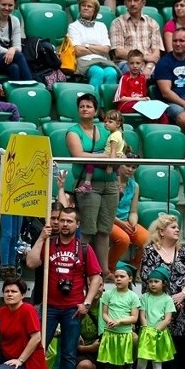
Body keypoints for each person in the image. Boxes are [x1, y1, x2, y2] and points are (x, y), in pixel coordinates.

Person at [25, 207, 103, 369]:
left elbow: (96, 277)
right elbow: (31, 263)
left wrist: (87, 302)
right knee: (38, 347)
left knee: (69, 352)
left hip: (73, 308)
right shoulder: (48, 243)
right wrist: (41, 238)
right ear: (57, 222)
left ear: (77, 224)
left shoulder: (84, 248)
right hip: (48, 306)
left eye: (69, 221)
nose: (65, 224)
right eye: (62, 220)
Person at [140, 214, 185, 369]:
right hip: (158, 310)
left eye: (177, 227)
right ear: (161, 232)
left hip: (183, 310)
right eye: (173, 227)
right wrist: (166, 299)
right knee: (159, 347)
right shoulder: (150, 252)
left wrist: (182, 294)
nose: (178, 230)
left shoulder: (184, 253)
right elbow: (146, 277)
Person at [65, 93, 119, 273]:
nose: (85, 109)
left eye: (89, 106)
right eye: (82, 106)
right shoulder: (74, 131)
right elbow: (78, 155)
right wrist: (104, 156)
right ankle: (80, 268)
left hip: (110, 184)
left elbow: (118, 149)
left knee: (104, 230)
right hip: (89, 186)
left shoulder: (105, 130)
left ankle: (103, 271)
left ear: (95, 110)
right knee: (87, 230)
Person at [97, 263, 140, 369]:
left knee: (127, 363)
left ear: (130, 279)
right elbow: (104, 313)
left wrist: (120, 321)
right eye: (116, 277)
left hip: (125, 335)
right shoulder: (108, 294)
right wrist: (108, 320)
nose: (118, 279)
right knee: (109, 363)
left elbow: (134, 318)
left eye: (122, 276)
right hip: (110, 334)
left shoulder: (133, 296)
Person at [135, 266, 176, 369]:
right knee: (141, 363)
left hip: (160, 334)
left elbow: (167, 319)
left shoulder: (167, 299)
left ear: (164, 284)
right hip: (147, 333)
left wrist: (155, 331)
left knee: (157, 363)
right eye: (150, 281)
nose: (152, 284)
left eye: (156, 281)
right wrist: (147, 329)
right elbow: (142, 315)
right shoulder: (145, 297)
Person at [67, 0, 119, 92]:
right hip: (83, 61)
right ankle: (94, 102)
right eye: (83, 5)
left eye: (89, 6)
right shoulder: (73, 26)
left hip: (102, 61)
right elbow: (78, 50)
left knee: (112, 73)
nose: (86, 8)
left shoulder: (101, 26)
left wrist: (86, 46)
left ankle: (108, 105)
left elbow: (106, 49)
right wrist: (97, 48)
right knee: (98, 72)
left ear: (95, 11)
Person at [108, 154, 150, 273]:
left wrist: (133, 222)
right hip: (110, 220)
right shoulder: (110, 181)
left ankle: (135, 266)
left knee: (149, 239)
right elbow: (106, 211)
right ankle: (109, 269)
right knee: (123, 239)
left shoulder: (134, 186)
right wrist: (121, 224)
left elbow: (133, 211)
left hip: (125, 221)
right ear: (120, 164)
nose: (130, 169)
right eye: (127, 165)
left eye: (134, 167)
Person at [76, 109, 124, 195]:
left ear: (118, 124)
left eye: (110, 122)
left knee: (90, 160)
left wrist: (110, 165)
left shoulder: (114, 137)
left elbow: (113, 152)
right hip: (117, 162)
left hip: (110, 160)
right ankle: (119, 185)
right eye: (105, 121)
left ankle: (87, 184)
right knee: (117, 170)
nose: (106, 123)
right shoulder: (119, 134)